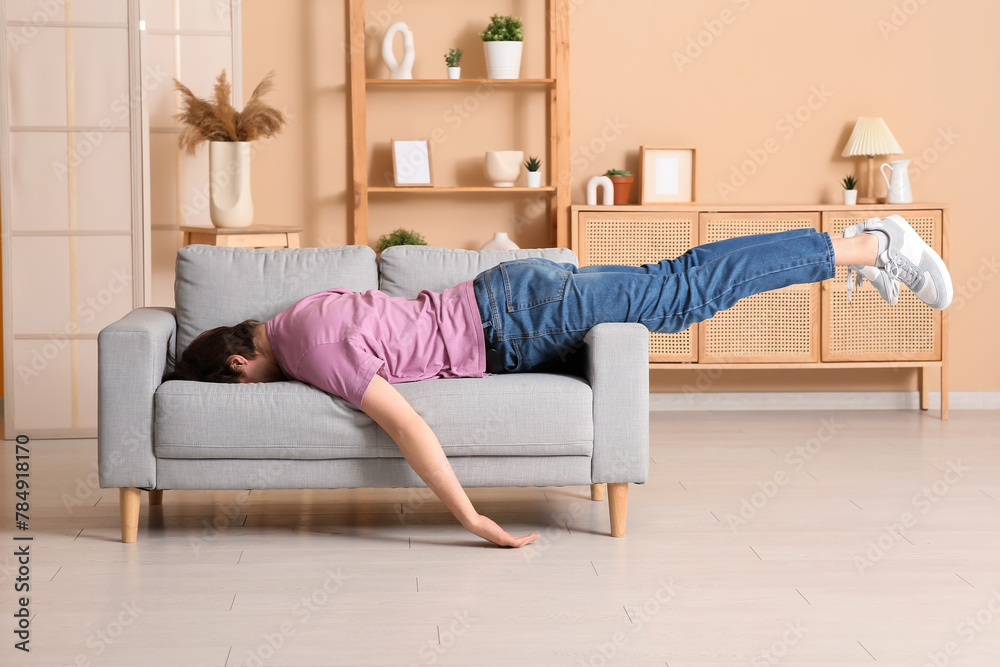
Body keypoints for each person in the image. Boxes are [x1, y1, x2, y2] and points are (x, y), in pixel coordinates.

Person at [164, 215, 952, 548]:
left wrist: (471, 517)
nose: (262, 392)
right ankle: (856, 255)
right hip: (513, 307)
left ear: (238, 365)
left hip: (520, 317)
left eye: (244, 389)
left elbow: (406, 425)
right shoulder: (295, 311)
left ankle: (866, 245)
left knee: (685, 289)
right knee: (679, 289)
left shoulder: (307, 347)